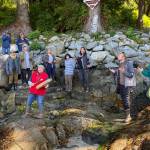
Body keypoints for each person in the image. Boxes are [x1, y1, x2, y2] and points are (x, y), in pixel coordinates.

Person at [110, 52, 137, 123]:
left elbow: (131, 75)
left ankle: (129, 116)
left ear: (123, 57)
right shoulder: (120, 63)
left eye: (119, 55)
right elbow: (119, 73)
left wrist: (124, 71)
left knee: (126, 100)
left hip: (127, 85)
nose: (118, 56)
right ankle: (129, 114)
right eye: (118, 55)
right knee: (124, 99)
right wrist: (115, 71)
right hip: (120, 85)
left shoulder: (129, 63)